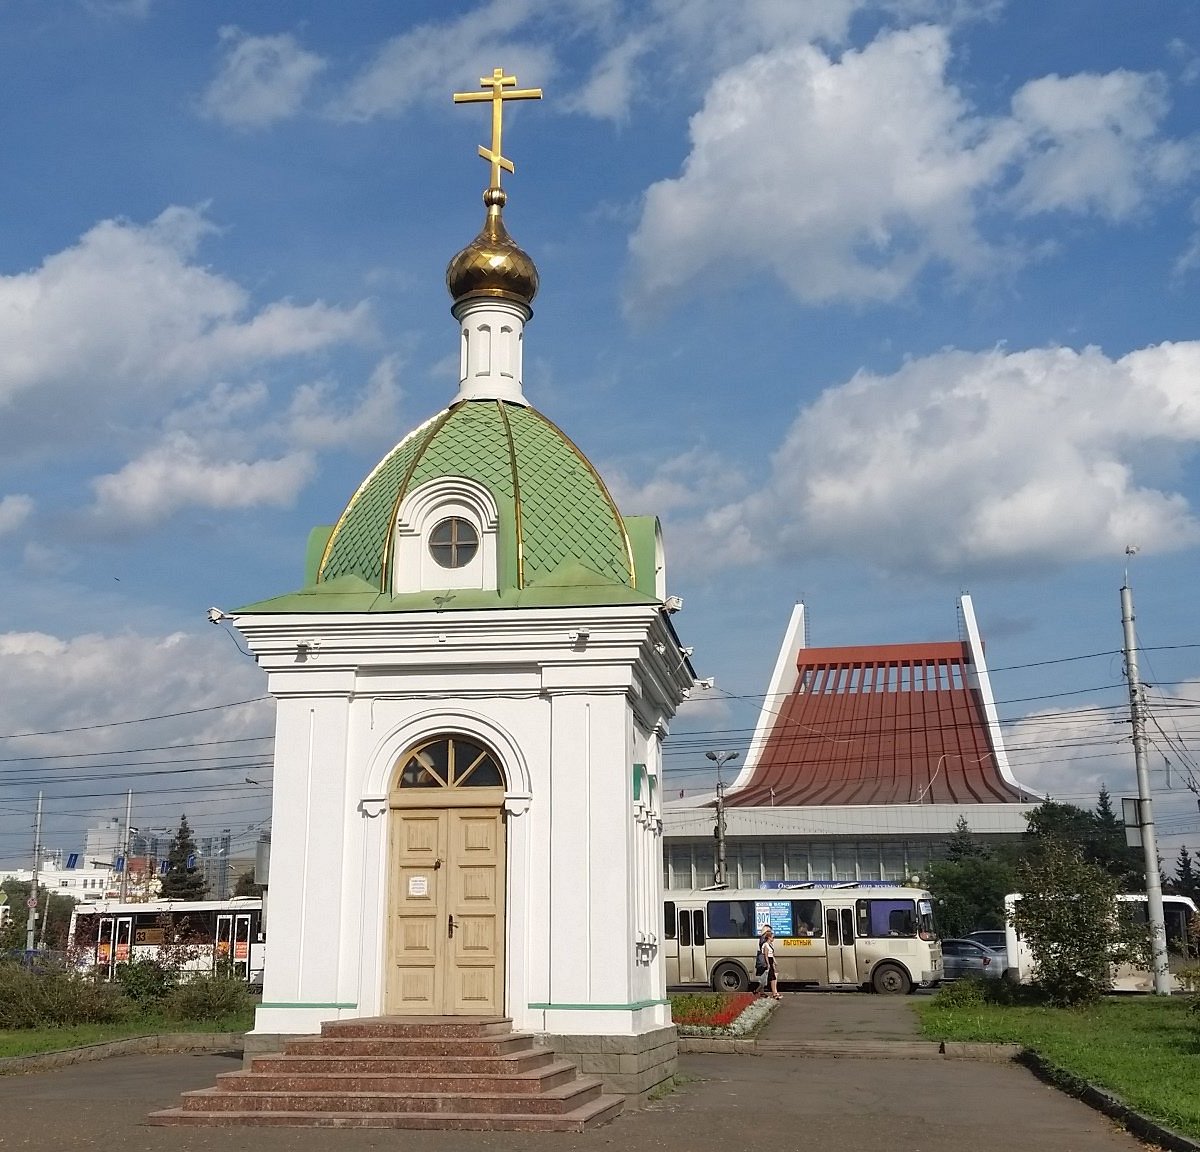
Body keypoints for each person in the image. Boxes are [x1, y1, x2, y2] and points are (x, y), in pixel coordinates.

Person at [761, 925, 781, 1000]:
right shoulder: (765, 945)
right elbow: (766, 955)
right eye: (773, 937)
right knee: (771, 977)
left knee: (773, 976)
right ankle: (774, 993)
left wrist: (774, 962)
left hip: (771, 960)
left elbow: (772, 954)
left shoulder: (770, 945)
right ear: (769, 938)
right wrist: (769, 964)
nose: (774, 939)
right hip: (768, 961)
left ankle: (774, 992)